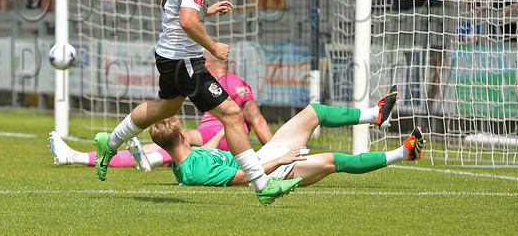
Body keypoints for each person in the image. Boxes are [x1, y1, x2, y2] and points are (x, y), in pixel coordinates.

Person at [93, 0, 302, 206]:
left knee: (162, 109)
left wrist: (204, 8)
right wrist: (213, 46)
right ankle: (262, 185)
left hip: (166, 52)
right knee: (233, 114)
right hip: (184, 58)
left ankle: (109, 141)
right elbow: (187, 20)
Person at [148, 86, 424, 188]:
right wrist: (281, 160)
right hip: (268, 172)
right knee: (333, 160)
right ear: (183, 134)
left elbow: (205, 150)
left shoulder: (183, 161)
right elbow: (245, 178)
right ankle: (403, 153)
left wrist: (225, 127)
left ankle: (374, 116)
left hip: (260, 157)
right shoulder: (194, 173)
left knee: (313, 112)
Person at [47, 51, 273, 170]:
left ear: (209, 62)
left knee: (177, 138)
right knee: (166, 142)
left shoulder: (232, 80)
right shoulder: (208, 80)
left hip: (221, 136)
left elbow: (257, 119)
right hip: (210, 135)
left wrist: (273, 151)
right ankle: (78, 156)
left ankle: (152, 158)